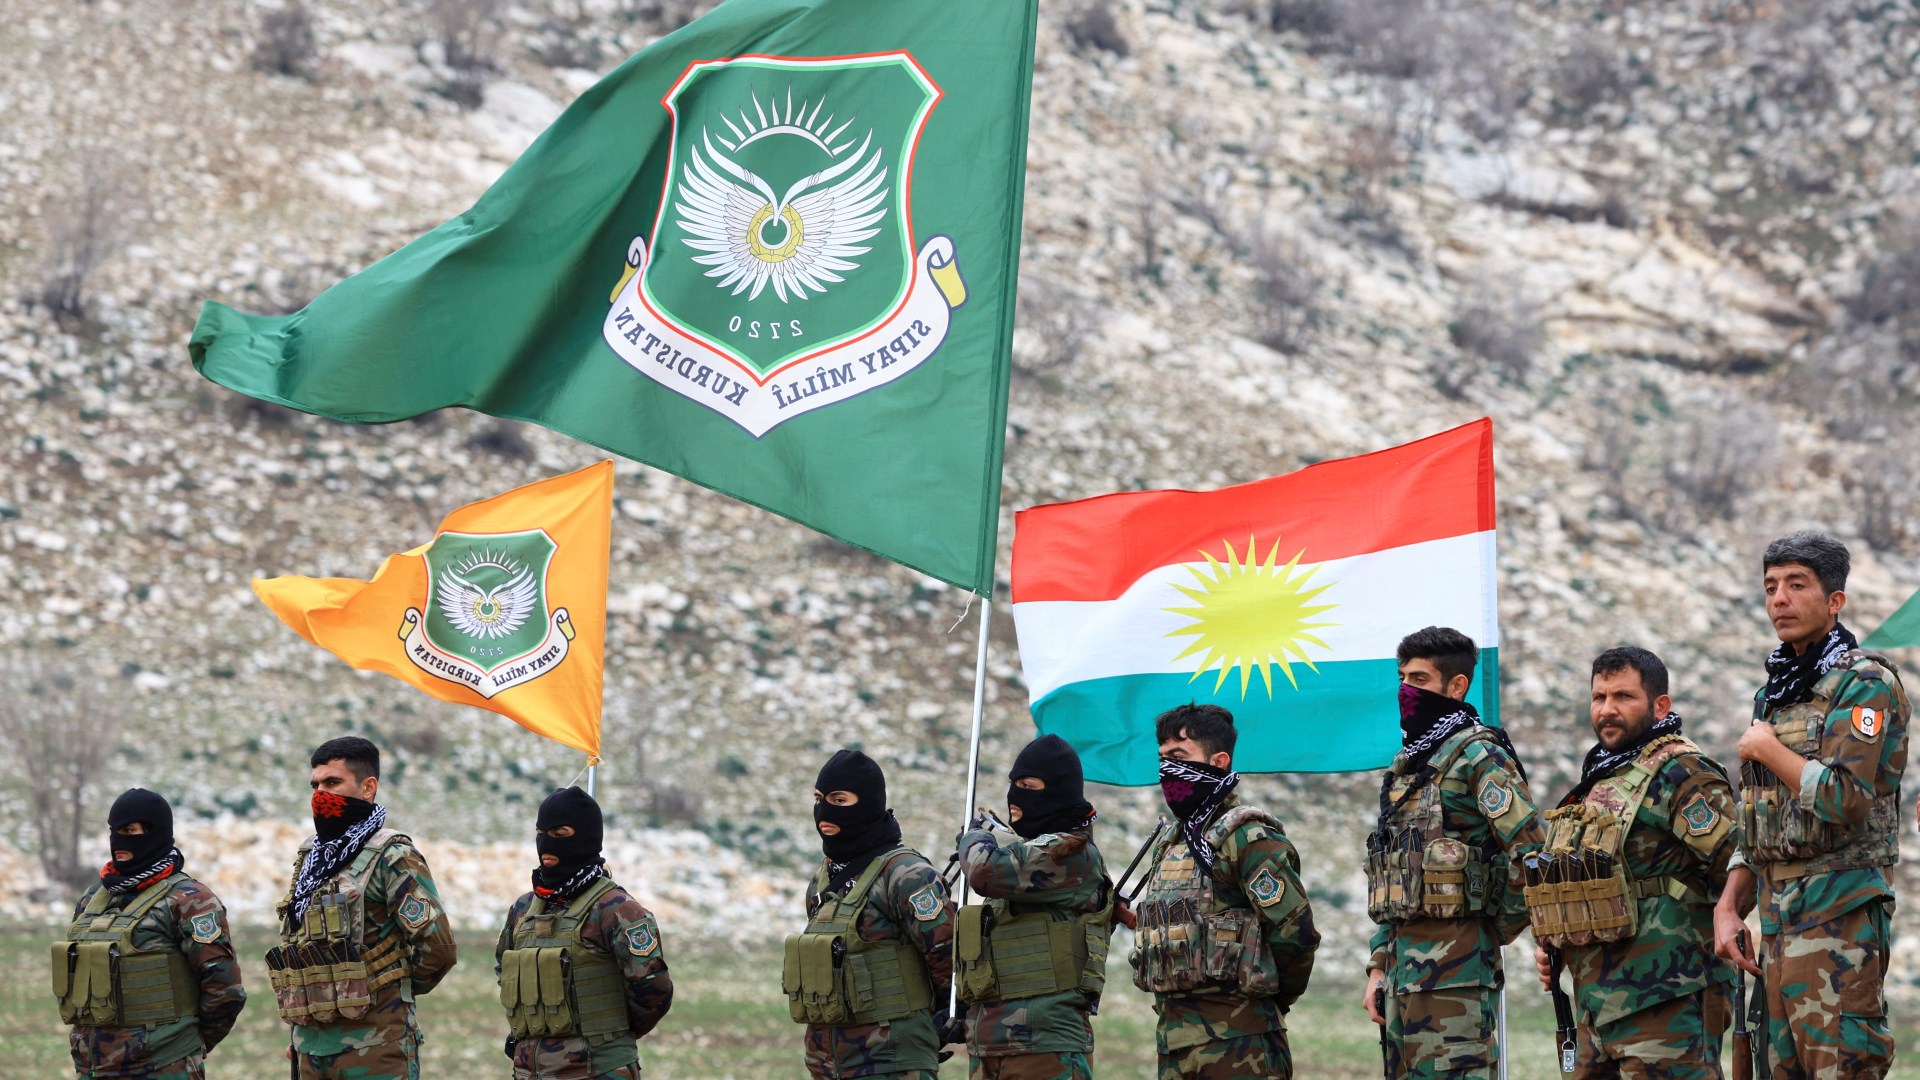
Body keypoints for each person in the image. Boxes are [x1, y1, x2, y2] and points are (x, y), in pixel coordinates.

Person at [1712, 531, 1911, 1078]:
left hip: (1839, 921)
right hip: (1778, 927)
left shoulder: (1865, 683)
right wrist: (1729, 906)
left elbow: (1846, 798)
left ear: (1835, 600)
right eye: (1771, 587)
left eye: (1797, 585)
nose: (1780, 599)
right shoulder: (1776, 694)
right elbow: (1759, 819)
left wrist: (1769, 750)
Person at [1528, 647, 1737, 1078]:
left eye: (1623, 696)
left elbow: (1737, 862)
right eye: (1599, 697)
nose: (1607, 709)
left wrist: (1727, 917)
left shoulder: (1681, 773)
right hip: (1596, 1007)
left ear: (1660, 706)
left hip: (1667, 1000)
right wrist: (1560, 945)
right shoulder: (1602, 777)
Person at [1362, 626, 1543, 1079]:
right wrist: (1379, 965)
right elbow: (1396, 875)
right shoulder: (1408, 766)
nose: (1407, 690)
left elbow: (1532, 854)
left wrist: (1492, 928)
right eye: (1403, 678)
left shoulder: (1480, 757)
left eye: (1420, 679)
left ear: (1457, 686)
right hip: (1401, 978)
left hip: (1458, 980)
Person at [1131, 703, 1318, 1079]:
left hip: (1240, 1045)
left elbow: (1295, 933)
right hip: (1174, 1045)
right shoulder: (1173, 842)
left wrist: (1270, 1004)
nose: (1168, 770)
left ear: (1218, 762)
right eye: (1163, 759)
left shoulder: (1249, 838)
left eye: (1179, 757)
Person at [269, 736, 458, 1079]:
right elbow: (303, 951)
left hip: (375, 1048)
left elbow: (438, 949)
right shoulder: (311, 858)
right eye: (315, 785)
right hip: (310, 1048)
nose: (320, 794)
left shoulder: (392, 856)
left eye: (332, 783)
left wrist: (387, 994)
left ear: (368, 787)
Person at [786, 749, 957, 1079]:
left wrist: (941, 1017)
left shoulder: (906, 874)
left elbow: (947, 959)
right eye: (819, 799)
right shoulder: (823, 878)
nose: (824, 811)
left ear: (866, 803)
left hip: (891, 1060)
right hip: (828, 1063)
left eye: (839, 800)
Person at [56, 788, 246, 1079]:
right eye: (114, 831)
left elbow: (225, 990)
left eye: (129, 830)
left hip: (164, 1066)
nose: (119, 840)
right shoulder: (93, 899)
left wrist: (185, 1046)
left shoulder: (190, 900)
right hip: (93, 1069)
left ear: (154, 833)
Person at [955, 734, 1111, 1080]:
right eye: (1014, 784)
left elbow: (982, 871)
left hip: (1046, 1045)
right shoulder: (1027, 857)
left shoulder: (1071, 853)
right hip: (990, 1045)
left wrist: (974, 837)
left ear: (1056, 792)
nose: (1016, 796)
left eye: (1028, 786)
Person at [496, 786, 673, 1079]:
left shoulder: (616, 909)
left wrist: (609, 1033)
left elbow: (654, 990)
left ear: (585, 837)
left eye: (559, 834)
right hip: (530, 1071)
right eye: (540, 833)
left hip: (598, 1069)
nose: (546, 844)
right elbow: (505, 972)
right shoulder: (524, 909)